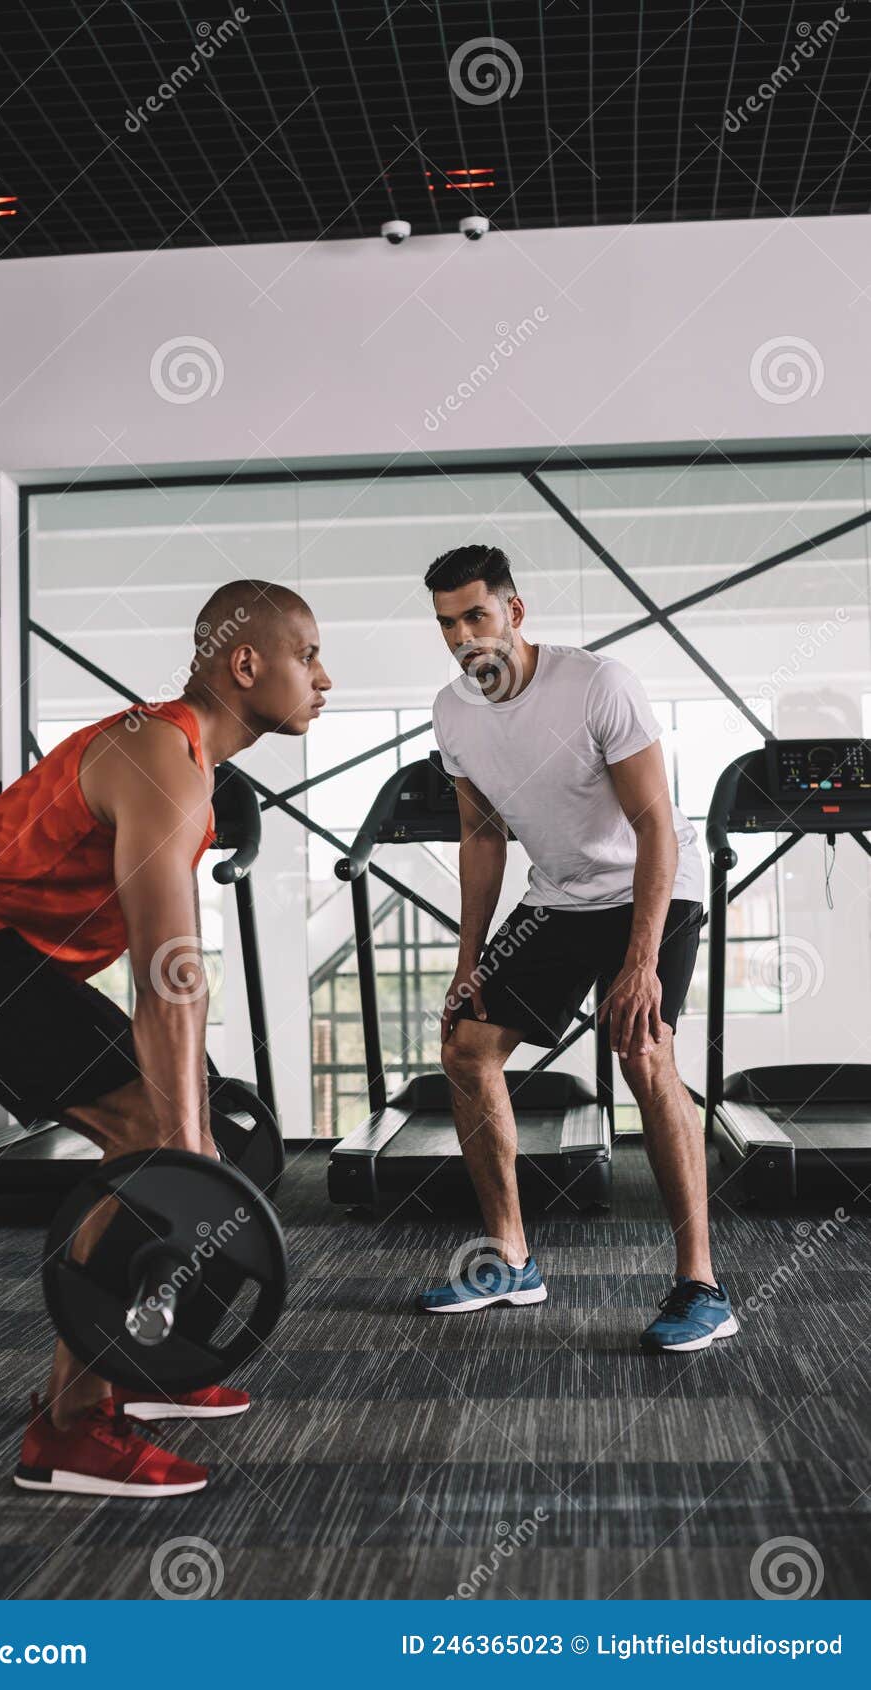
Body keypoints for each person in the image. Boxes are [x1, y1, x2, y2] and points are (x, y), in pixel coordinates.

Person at [0, 580, 331, 1496]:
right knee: (159, 1142)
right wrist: (182, 1148)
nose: (324, 677)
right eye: (306, 655)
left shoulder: (182, 761)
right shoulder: (162, 760)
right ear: (245, 663)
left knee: (184, 1135)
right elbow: (167, 970)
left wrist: (195, 1133)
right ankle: (70, 1429)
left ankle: (136, 1364)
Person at [417, 545, 737, 1354]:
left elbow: (656, 825)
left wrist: (638, 964)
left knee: (644, 1055)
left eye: (476, 617)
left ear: (514, 613)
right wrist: (469, 963)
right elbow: (482, 838)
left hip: (654, 884)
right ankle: (511, 1259)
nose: (463, 638)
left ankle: (702, 1283)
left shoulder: (598, 684)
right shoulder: (452, 711)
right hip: (558, 897)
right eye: (448, 624)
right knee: (467, 1048)